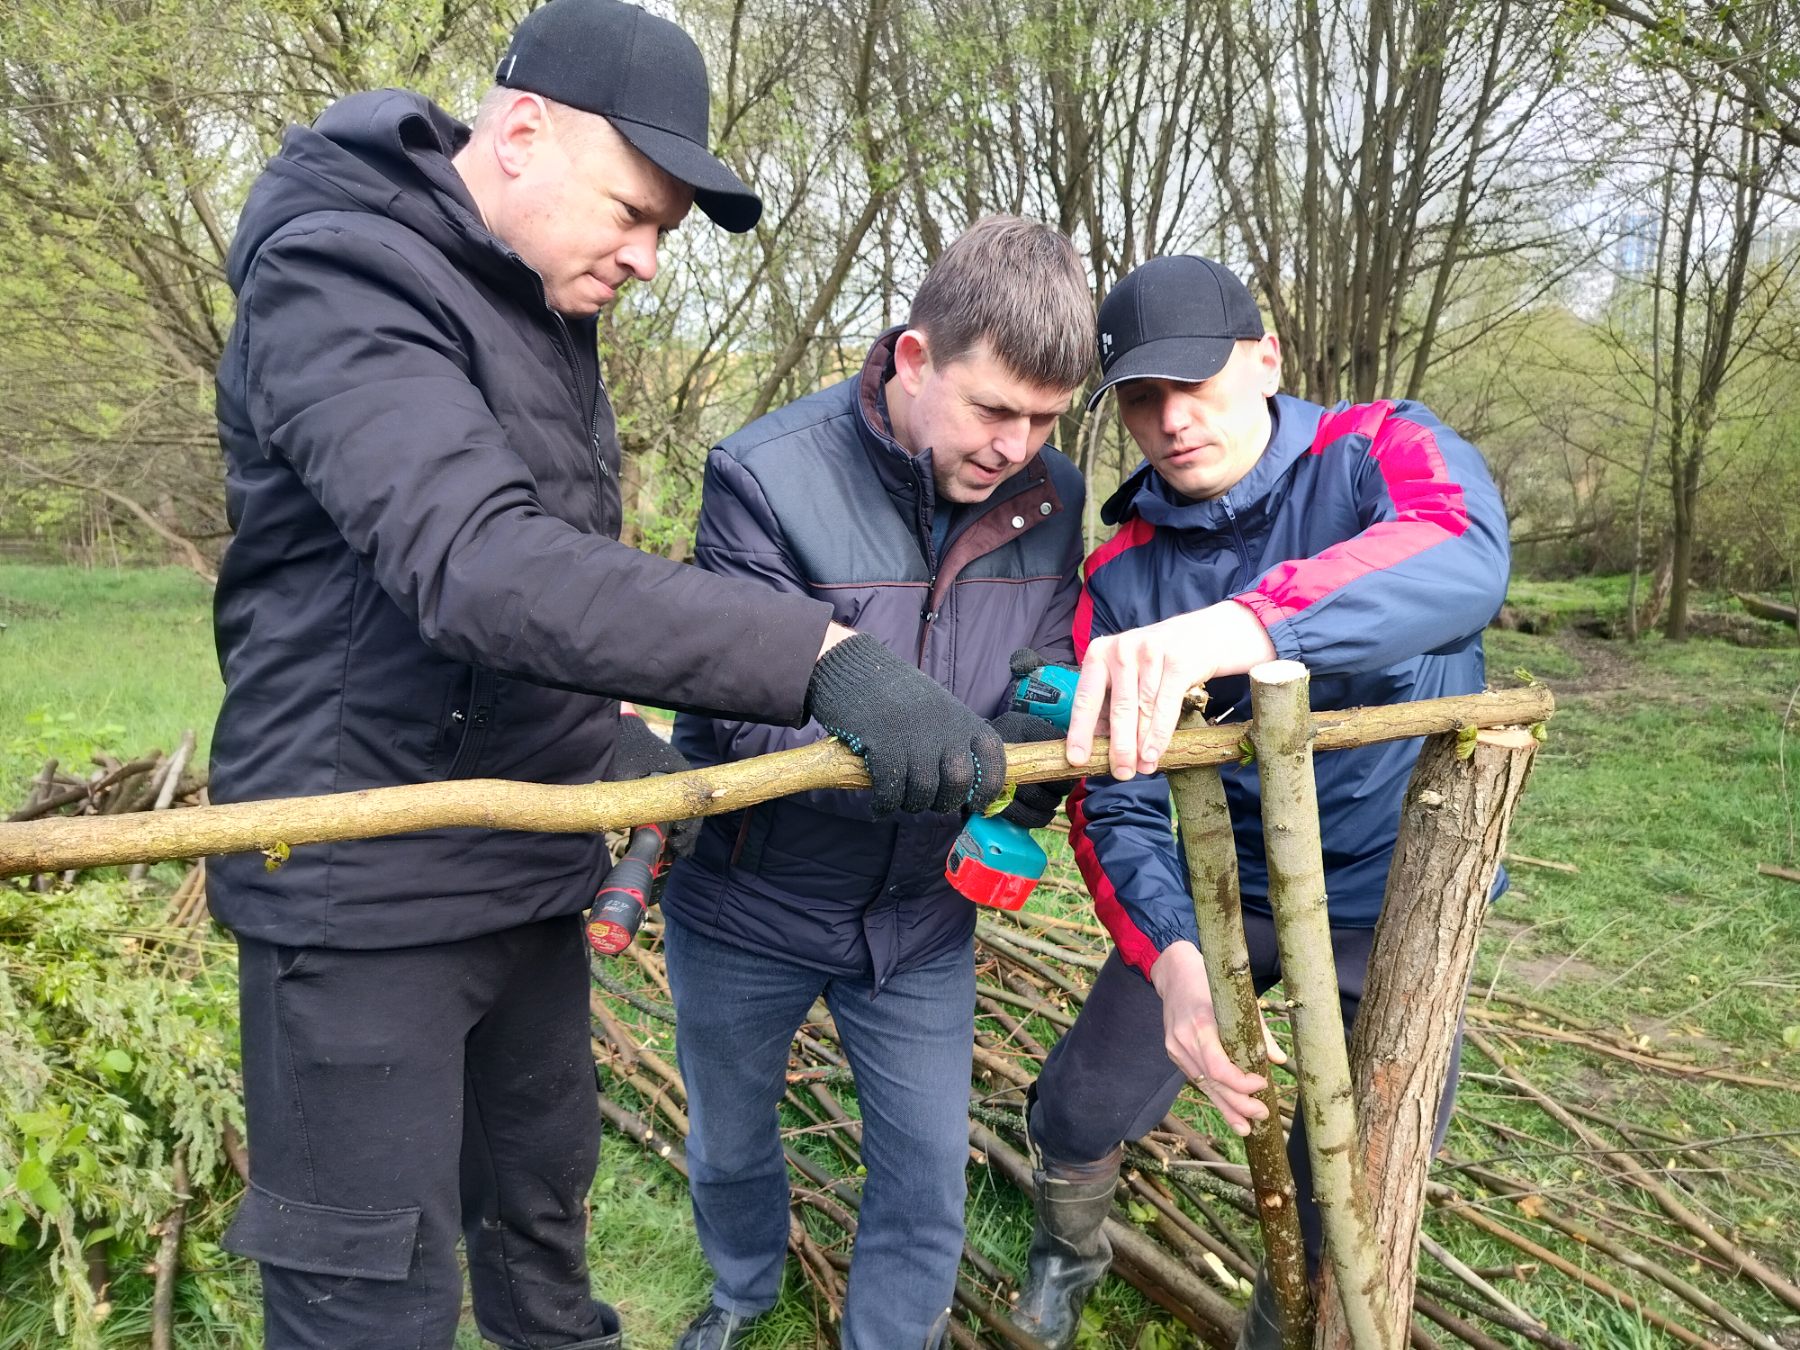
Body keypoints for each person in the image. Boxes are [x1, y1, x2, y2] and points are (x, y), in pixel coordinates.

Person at [206, 3, 1009, 1346]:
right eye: (632, 213)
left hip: (522, 853)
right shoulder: (340, 278)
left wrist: (600, 741)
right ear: (522, 134)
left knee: (541, 1222)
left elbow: (548, 590)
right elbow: (475, 563)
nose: (644, 258)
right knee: (371, 1292)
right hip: (360, 886)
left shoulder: (532, 298)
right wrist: (814, 654)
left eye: (664, 235)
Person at [1011, 255, 1511, 1349]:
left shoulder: (1378, 451)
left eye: (1196, 381)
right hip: (1219, 887)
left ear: (1267, 359)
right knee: (1080, 1105)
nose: (1173, 420)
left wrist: (1242, 628)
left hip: (1391, 893)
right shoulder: (1120, 577)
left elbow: (1464, 549)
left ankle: (1288, 1318)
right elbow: (1118, 802)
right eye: (1142, 398)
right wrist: (1177, 958)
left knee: (1357, 1153)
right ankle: (1066, 1247)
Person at [656, 216, 1093, 1350]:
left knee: (925, 1171)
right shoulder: (762, 476)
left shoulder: (1053, 496)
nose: (1018, 447)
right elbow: (744, 725)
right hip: (749, 902)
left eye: (1046, 419)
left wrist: (1026, 763)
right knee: (733, 1136)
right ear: (913, 359)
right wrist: (933, 748)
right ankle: (745, 1291)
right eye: (995, 410)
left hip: (923, 920)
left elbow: (1045, 672)